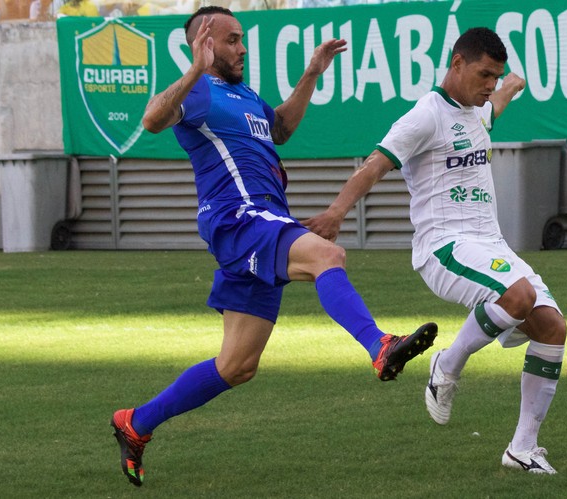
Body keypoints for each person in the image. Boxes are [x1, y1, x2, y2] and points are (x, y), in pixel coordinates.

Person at [109, 6, 437, 488]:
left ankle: (135, 423)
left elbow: (280, 128)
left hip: (259, 221)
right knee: (329, 255)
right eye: (233, 40)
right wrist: (195, 69)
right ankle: (379, 345)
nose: (242, 48)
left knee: (237, 366)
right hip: (239, 219)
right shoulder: (197, 90)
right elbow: (153, 119)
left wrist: (310, 75)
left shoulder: (242, 95)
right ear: (204, 42)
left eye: (243, 40)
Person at [304, 27, 567, 475]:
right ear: (457, 64)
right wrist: (335, 213)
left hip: (491, 244)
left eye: (495, 77)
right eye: (484, 75)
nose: (489, 86)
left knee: (552, 329)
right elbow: (375, 165)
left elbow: (491, 111)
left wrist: (508, 89)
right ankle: (446, 365)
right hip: (445, 246)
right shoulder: (425, 116)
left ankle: (522, 448)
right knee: (518, 297)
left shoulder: (477, 110)